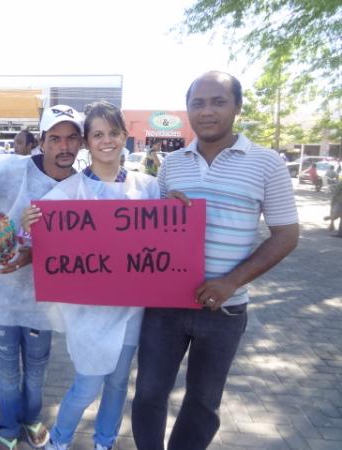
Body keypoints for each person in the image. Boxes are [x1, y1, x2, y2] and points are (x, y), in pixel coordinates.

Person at [131, 71, 299, 450]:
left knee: (203, 404)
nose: (207, 111)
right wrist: (163, 215)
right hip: (164, 306)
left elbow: (287, 234)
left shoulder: (267, 163)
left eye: (218, 102)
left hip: (224, 309)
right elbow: (151, 236)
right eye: (198, 103)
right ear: (188, 109)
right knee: (147, 395)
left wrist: (231, 282)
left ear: (237, 107)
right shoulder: (172, 164)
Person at [22, 102, 159, 450]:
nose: (107, 141)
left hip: (131, 309)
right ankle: (61, 440)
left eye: (114, 133)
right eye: (98, 134)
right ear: (87, 141)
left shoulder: (149, 189)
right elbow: (37, 241)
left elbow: (165, 239)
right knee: (86, 385)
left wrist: (177, 207)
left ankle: (105, 442)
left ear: (125, 136)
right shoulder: (66, 194)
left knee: (116, 384)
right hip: (88, 313)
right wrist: (30, 227)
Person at [0, 104, 83, 450]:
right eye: (56, 138)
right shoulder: (12, 171)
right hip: (4, 288)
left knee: (37, 366)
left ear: (80, 144)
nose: (64, 146)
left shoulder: (83, 186)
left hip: (45, 298)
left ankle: (32, 419)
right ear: (42, 141)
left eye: (72, 139)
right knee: (5, 367)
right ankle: (6, 426)